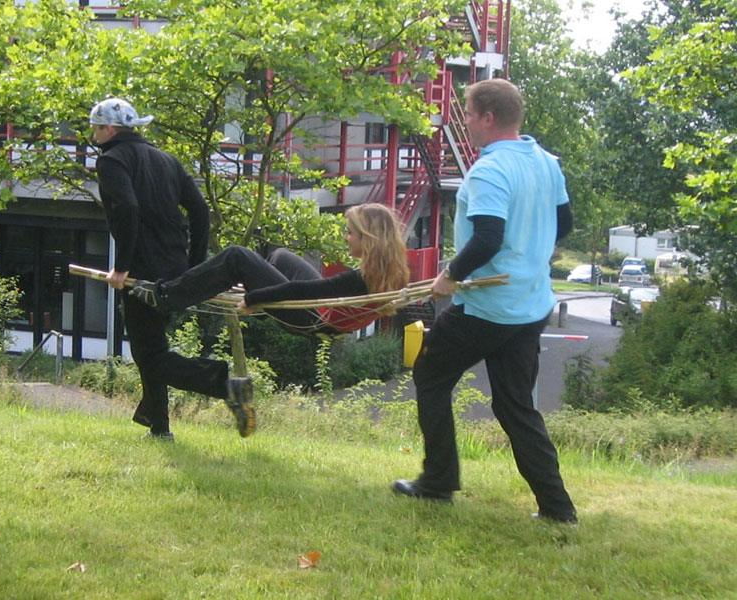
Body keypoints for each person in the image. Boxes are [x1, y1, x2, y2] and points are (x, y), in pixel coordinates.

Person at [391, 79, 577, 523]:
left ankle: (437, 482)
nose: (468, 122)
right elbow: (565, 224)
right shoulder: (546, 162)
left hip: (488, 307)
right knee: (515, 405)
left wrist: (450, 276)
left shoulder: (490, 170)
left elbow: (489, 237)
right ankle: (557, 509)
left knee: (430, 373)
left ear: (489, 118)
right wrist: (533, 249)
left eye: (470, 114)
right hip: (531, 305)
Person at [90, 97, 255, 441]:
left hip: (142, 273)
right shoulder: (166, 159)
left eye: (96, 128)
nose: (93, 135)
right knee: (151, 348)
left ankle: (226, 386)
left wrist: (121, 268)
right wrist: (194, 269)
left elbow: (127, 209)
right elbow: (200, 210)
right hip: (176, 271)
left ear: (110, 129)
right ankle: (159, 427)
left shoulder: (112, 160)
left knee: (150, 355)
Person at [129, 203, 410, 336]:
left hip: (309, 318)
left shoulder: (361, 279)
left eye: (350, 233)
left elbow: (305, 290)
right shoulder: (389, 274)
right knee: (281, 256)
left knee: (237, 256)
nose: (346, 238)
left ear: (368, 239)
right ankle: (264, 301)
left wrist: (254, 299)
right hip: (320, 312)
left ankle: (165, 296)